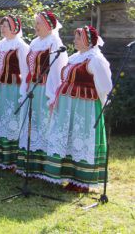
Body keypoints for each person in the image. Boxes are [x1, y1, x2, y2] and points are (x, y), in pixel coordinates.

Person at [44, 25, 111, 192]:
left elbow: (105, 86)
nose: (74, 40)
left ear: (88, 40)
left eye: (78, 37)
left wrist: (99, 104)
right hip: (69, 106)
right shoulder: (75, 57)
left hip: (85, 107)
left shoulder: (95, 59)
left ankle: (83, 180)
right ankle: (71, 176)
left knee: (82, 139)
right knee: (71, 139)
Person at [16, 11, 68, 178]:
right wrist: (25, 88)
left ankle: (45, 167)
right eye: (35, 23)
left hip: (45, 89)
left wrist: (52, 95)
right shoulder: (34, 42)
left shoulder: (54, 42)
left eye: (38, 23)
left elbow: (57, 71)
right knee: (32, 124)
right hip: (33, 87)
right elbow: (28, 69)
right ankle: (30, 165)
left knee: (44, 124)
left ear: (48, 25)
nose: (35, 26)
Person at [0, 14, 29, 168]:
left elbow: (25, 71)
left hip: (12, 89)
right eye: (1, 26)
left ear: (14, 28)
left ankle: (11, 159)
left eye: (5, 26)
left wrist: (23, 92)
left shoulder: (21, 46)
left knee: (11, 120)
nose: (2, 29)